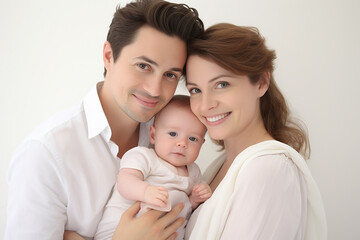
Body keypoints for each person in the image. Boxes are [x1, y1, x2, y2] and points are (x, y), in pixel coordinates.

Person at [5, 0, 204, 239]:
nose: (154, 89)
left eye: (170, 75)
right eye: (143, 65)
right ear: (109, 56)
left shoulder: (174, 136)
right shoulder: (45, 154)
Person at [183, 23, 327, 239]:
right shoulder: (222, 166)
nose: (205, 105)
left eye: (221, 84)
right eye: (195, 90)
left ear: (261, 82)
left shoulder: (268, 170)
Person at [94, 95, 211, 240]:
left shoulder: (194, 172)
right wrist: (145, 191)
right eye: (173, 134)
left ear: (202, 143)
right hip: (117, 232)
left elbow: (184, 207)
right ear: (153, 135)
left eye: (193, 138)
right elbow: (124, 182)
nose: (182, 143)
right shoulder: (143, 157)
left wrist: (194, 199)